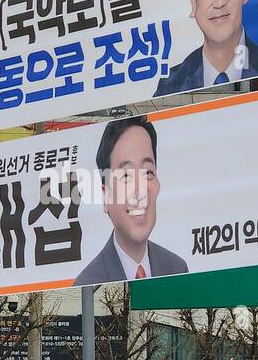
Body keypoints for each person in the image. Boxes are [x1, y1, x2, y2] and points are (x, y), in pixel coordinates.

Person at [73, 116, 188, 286]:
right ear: (106, 196)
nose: (140, 191)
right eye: (126, 175)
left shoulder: (177, 268)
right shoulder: (89, 282)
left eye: (148, 173)